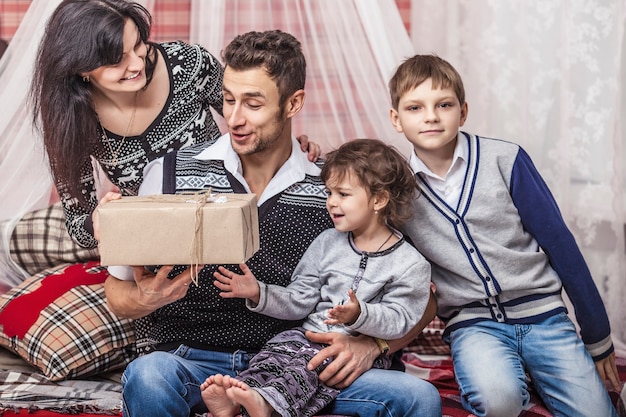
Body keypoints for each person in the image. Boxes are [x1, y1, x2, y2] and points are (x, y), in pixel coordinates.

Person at [103, 30, 441, 417]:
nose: (233, 118)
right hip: (192, 360)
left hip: (303, 364)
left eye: (253, 104)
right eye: (228, 99)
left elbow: (424, 298)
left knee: (419, 398)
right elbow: (118, 292)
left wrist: (374, 346)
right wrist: (149, 298)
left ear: (293, 103)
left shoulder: (336, 188)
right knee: (147, 375)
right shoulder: (168, 174)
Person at [388, 54, 620, 417]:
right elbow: (351, 194)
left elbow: (560, 244)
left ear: (463, 112)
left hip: (544, 316)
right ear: (396, 119)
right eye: (415, 107)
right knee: (499, 400)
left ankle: (538, 369)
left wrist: (597, 334)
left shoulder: (505, 159)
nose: (431, 116)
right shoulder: (397, 189)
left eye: (443, 105)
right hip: (474, 325)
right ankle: (507, 374)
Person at [30, 0, 317, 250]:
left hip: (225, 218)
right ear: (81, 67)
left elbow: (250, 118)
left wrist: (289, 151)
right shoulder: (73, 119)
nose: (136, 64)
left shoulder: (187, 64)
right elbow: (79, 224)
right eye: (118, 59)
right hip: (153, 239)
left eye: (138, 45)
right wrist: (100, 222)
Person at [200, 139, 433, 417]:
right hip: (305, 337)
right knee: (273, 354)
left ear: (379, 200)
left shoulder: (410, 264)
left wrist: (360, 314)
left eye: (343, 194)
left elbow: (400, 320)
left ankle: (264, 406)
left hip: (353, 353)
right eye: (329, 193)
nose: (331, 202)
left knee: (307, 366)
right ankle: (238, 402)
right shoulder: (327, 242)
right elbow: (300, 299)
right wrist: (258, 293)